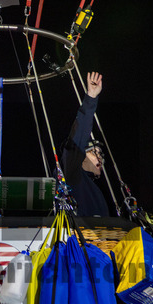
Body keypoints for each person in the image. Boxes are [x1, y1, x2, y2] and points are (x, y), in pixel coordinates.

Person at [60, 71, 109, 217]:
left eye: (100, 153)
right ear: (81, 157)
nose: (100, 158)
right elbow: (78, 139)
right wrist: (91, 98)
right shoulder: (72, 176)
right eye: (94, 152)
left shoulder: (96, 190)